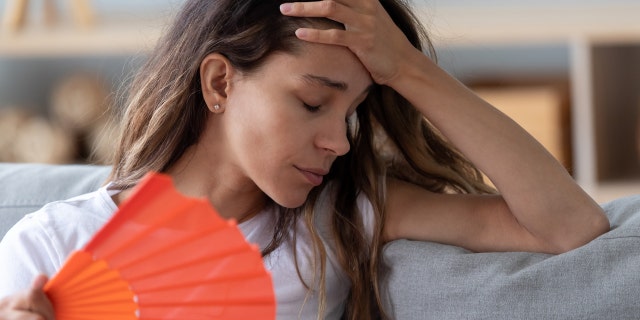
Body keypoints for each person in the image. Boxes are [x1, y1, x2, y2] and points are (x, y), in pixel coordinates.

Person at [0, 0, 610, 319]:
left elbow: (567, 226)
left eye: (351, 114)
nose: (341, 142)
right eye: (314, 101)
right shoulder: (47, 251)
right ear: (219, 84)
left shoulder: (337, 221)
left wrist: (410, 69)